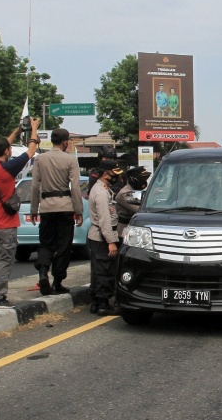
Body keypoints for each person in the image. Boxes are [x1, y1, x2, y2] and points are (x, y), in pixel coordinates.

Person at [0, 117, 40, 309]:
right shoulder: (7, 169)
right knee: (5, 260)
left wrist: (17, 131)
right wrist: (33, 129)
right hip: (5, 222)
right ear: (7, 151)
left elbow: (1, 146)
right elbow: (31, 151)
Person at [30, 127, 83, 296]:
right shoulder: (70, 160)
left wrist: (33, 209)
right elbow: (75, 187)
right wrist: (79, 210)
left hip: (46, 207)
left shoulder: (40, 159)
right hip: (65, 207)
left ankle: (43, 272)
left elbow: (34, 186)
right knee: (63, 245)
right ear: (65, 142)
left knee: (45, 243)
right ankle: (57, 281)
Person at [87, 159, 122, 315]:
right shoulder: (101, 192)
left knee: (98, 270)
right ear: (106, 174)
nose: (116, 178)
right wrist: (111, 242)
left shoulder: (103, 189)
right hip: (102, 236)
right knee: (104, 271)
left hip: (98, 235)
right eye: (114, 174)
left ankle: (95, 302)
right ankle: (103, 303)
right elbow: (105, 219)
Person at [115, 166, 151, 235]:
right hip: (123, 230)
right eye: (142, 179)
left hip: (134, 228)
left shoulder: (136, 191)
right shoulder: (124, 193)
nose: (144, 182)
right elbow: (141, 209)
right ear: (132, 179)